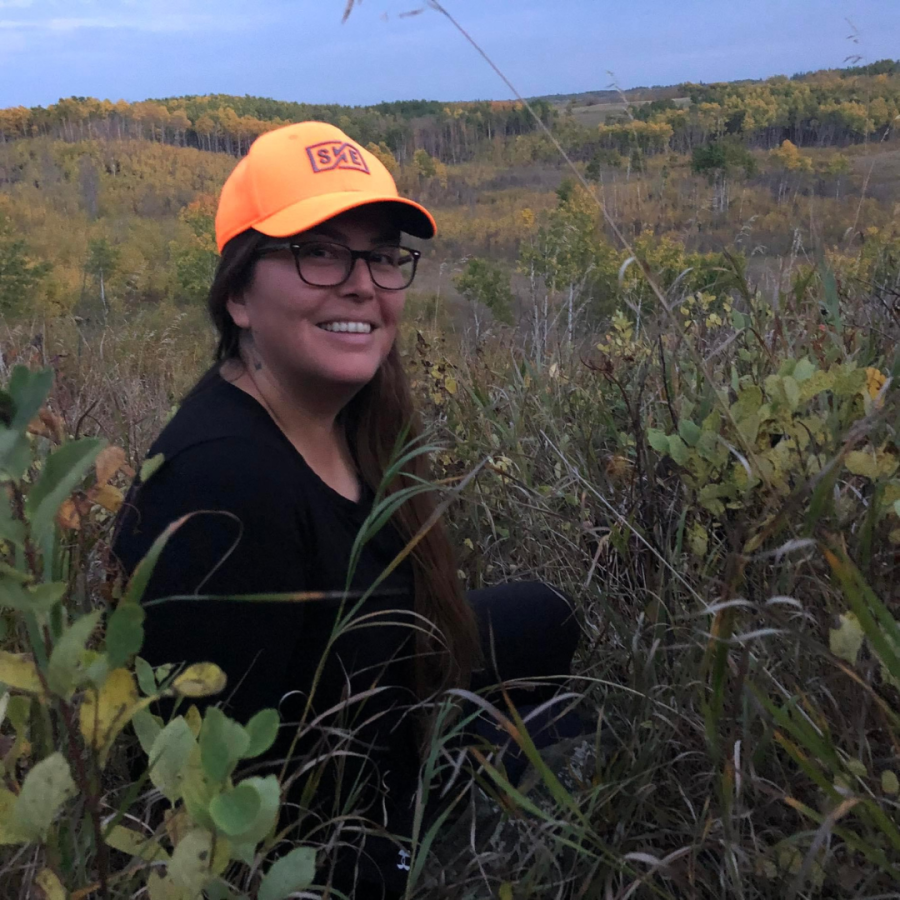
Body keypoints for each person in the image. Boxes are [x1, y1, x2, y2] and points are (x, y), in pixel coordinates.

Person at [113, 121, 580, 899]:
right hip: (336, 814)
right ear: (237, 295)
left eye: (382, 254)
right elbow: (227, 804)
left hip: (373, 689)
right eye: (319, 251)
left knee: (549, 615)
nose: (361, 282)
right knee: (560, 728)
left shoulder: (351, 420)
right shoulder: (224, 491)